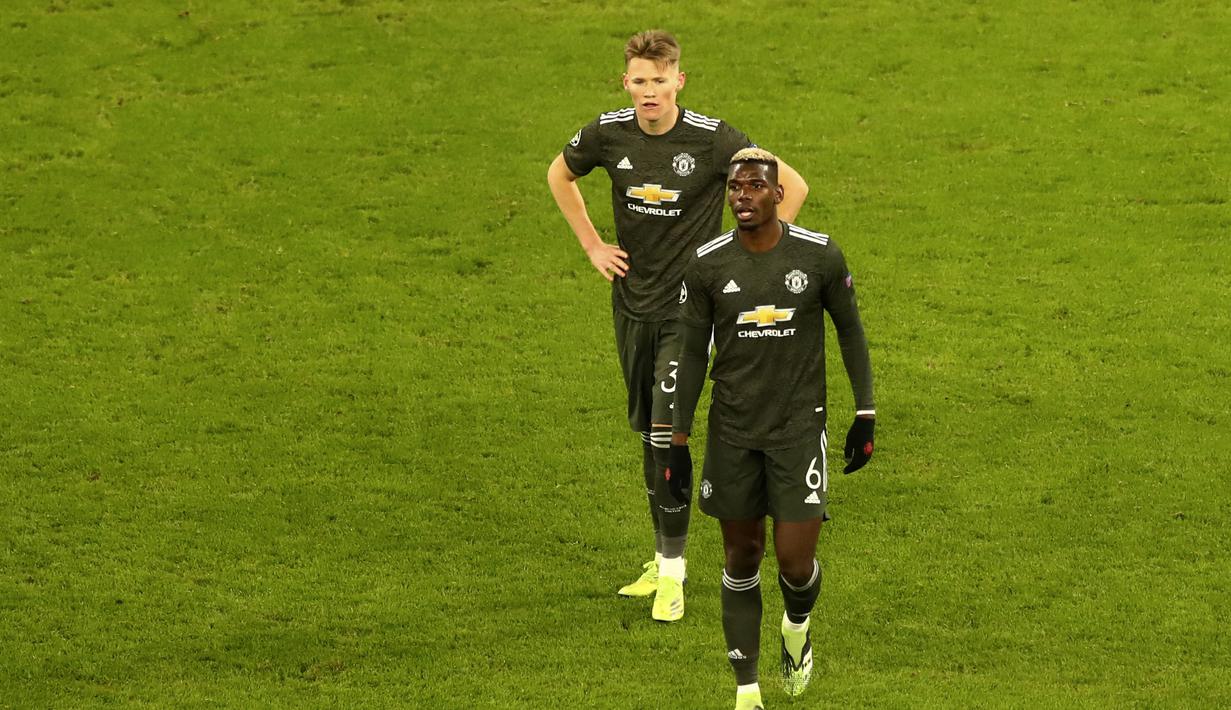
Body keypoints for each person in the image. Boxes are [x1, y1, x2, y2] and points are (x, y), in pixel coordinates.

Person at [546, 30, 810, 622]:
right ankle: (665, 555)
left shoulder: (715, 141)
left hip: (691, 312)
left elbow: (790, 185)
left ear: (678, 82)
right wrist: (592, 245)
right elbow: (558, 176)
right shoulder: (606, 134)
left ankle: (673, 576)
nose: (649, 92)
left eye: (659, 81)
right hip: (632, 304)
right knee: (649, 433)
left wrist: (749, 252)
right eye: (639, 81)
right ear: (627, 83)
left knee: (668, 431)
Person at [668, 147, 876, 709]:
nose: (742, 197)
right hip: (733, 435)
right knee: (740, 558)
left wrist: (865, 412)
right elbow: (690, 356)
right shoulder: (708, 263)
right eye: (735, 188)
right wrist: (677, 442)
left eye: (755, 187)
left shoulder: (819, 257)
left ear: (779, 195)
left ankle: (796, 626)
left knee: (793, 562)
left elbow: (851, 333)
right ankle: (748, 690)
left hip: (798, 433)